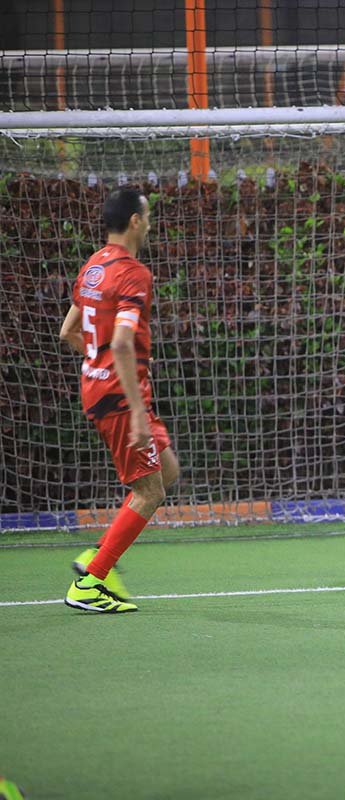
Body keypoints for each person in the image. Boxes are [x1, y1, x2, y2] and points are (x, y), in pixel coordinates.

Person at [59, 187, 179, 613]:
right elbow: (124, 342)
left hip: (100, 385)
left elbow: (69, 331)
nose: (149, 223)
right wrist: (138, 413)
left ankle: (97, 555)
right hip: (121, 396)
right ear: (134, 221)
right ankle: (90, 582)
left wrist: (101, 362)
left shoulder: (94, 266)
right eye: (147, 216)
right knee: (149, 491)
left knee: (167, 470)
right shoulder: (133, 273)